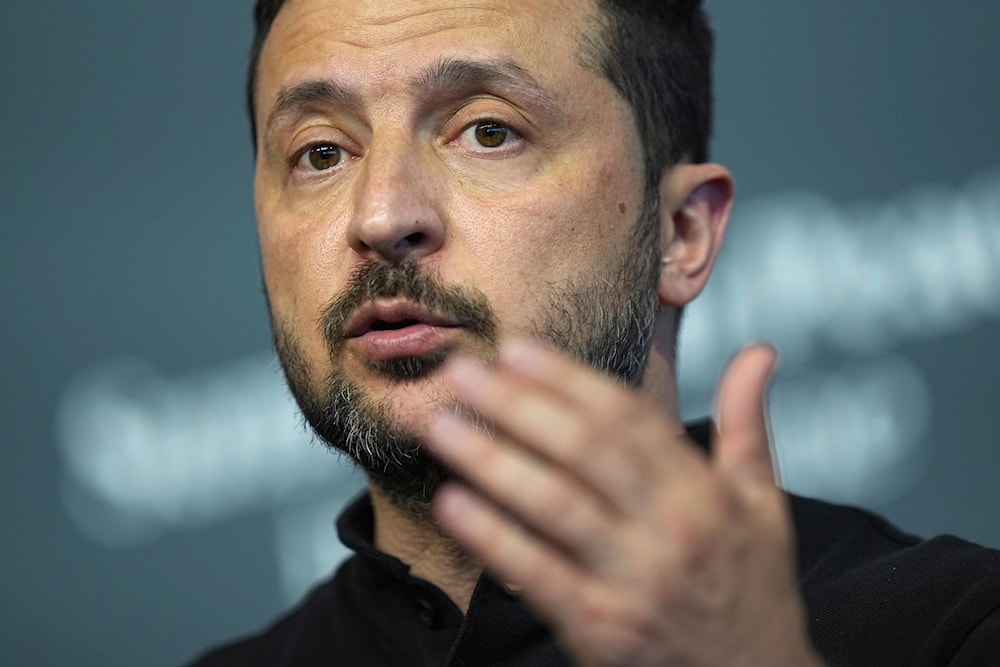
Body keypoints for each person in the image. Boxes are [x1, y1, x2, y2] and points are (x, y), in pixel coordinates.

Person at [190, 0, 1000, 664]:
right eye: (321, 151)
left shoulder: (956, 631)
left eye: (488, 131)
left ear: (680, 232)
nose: (381, 215)